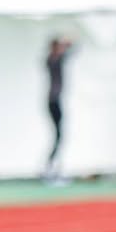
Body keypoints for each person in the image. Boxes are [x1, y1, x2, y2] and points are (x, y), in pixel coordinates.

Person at [44, 35, 74, 180]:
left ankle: (54, 166)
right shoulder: (53, 60)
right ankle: (52, 167)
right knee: (58, 135)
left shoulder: (51, 59)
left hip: (54, 100)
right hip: (54, 100)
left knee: (59, 136)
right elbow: (72, 49)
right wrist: (68, 42)